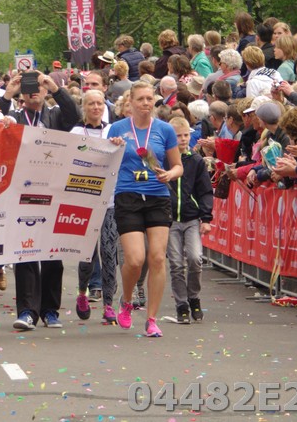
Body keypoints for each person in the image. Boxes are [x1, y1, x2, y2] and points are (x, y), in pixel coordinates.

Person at [0, 69, 80, 331]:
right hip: (22, 193)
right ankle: (27, 311)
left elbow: (74, 116)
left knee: (52, 253)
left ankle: (50, 310)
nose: (34, 91)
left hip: (54, 192)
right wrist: (7, 95)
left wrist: (54, 87)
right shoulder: (14, 117)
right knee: (25, 252)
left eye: (38, 86)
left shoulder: (55, 115)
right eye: (29, 87)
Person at [107, 81, 183, 337]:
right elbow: (105, 162)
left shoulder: (165, 129)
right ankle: (127, 300)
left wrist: (170, 175)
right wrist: (113, 147)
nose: (146, 103)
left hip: (157, 196)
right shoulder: (117, 128)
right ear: (130, 102)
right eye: (140, 99)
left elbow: (178, 166)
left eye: (149, 99)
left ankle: (152, 319)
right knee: (135, 259)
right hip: (128, 195)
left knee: (158, 258)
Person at [71, 90, 119, 325]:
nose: (96, 107)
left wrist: (119, 144)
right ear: (84, 107)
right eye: (91, 103)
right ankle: (83, 292)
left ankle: (108, 304)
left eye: (100, 103)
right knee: (87, 255)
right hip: (85, 202)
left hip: (109, 202)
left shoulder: (113, 131)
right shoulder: (75, 133)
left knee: (109, 253)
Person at [165, 116, 213, 324]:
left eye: (186, 135)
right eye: (178, 136)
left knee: (195, 259)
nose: (183, 139)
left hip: (192, 218)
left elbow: (205, 191)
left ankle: (194, 297)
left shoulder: (196, 161)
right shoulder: (164, 159)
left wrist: (206, 218)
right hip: (169, 221)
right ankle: (181, 305)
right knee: (176, 264)